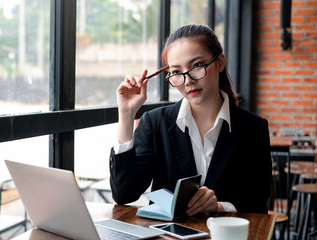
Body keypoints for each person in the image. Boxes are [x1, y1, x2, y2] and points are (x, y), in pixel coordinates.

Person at [109, 24, 271, 215]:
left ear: (220, 62)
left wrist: (220, 206)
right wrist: (126, 115)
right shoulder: (155, 123)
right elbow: (124, 193)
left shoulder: (253, 128)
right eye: (177, 72)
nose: (188, 80)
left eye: (197, 66)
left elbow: (258, 202)